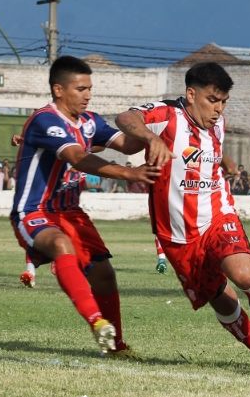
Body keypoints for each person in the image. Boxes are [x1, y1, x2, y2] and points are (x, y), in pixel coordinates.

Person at [114, 62, 250, 352]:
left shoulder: (217, 124)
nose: (219, 110)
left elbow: (204, 150)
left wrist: (226, 160)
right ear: (191, 95)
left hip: (217, 214)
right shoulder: (166, 116)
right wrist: (151, 138)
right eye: (213, 100)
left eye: (224, 103)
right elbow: (125, 118)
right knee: (219, 296)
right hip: (177, 235)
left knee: (243, 275)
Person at [10, 56, 167, 356]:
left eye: (89, 88)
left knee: (105, 274)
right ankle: (96, 322)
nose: (88, 94)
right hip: (34, 211)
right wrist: (128, 173)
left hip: (71, 212)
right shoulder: (45, 120)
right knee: (60, 244)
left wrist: (152, 125)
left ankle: (116, 346)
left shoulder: (91, 122)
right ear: (59, 90)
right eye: (80, 88)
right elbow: (77, 157)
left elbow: (129, 145)